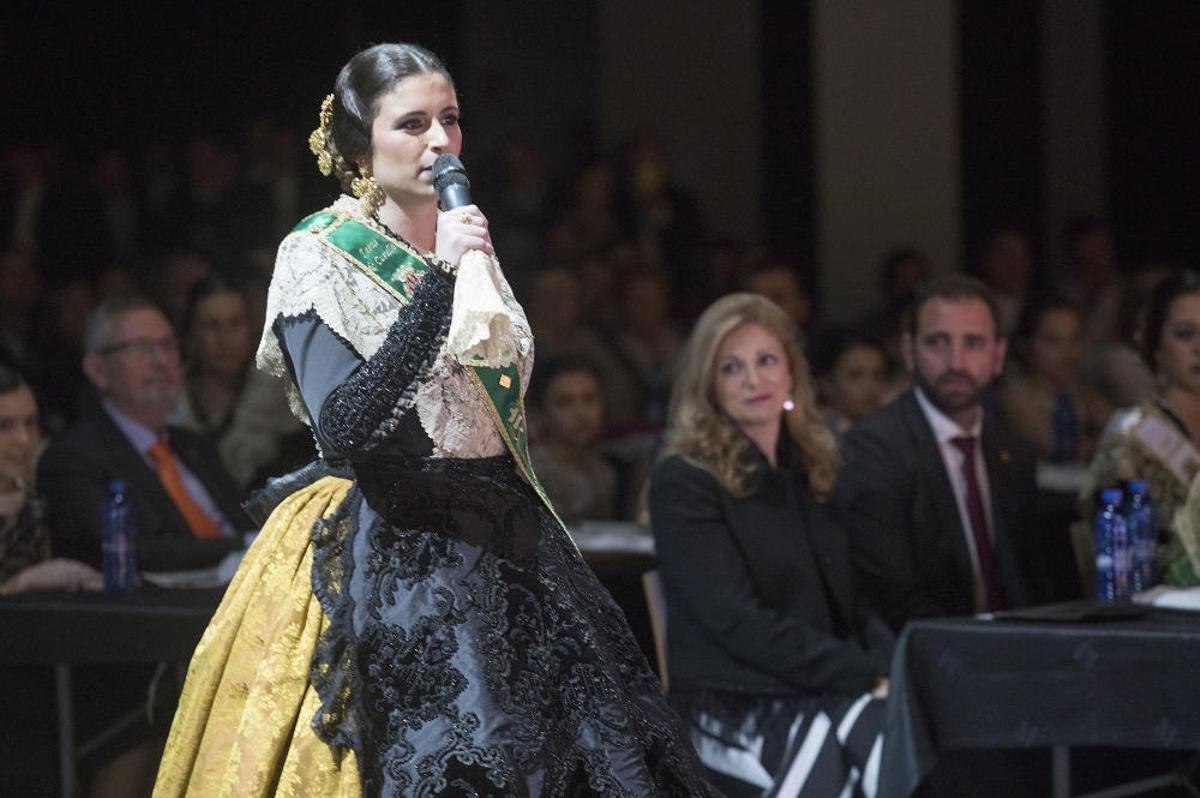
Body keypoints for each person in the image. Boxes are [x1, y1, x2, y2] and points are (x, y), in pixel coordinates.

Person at [153, 43, 714, 797]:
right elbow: (343, 428)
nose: (440, 141)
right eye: (412, 124)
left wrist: (455, 261)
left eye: (449, 119)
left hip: (510, 541)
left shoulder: (466, 234)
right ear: (360, 147)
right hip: (403, 547)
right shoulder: (317, 255)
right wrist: (442, 279)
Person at [649, 293, 892, 797]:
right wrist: (862, 675)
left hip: (815, 685)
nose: (752, 381)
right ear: (709, 386)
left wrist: (889, 665)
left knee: (905, 722)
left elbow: (852, 601)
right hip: (731, 700)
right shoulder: (685, 481)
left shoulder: (812, 467)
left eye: (765, 361)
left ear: (791, 372)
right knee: (868, 736)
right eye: (731, 368)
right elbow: (736, 621)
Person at [837, 275, 1036, 632]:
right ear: (909, 352)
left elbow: (1028, 584)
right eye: (937, 343)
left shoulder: (1011, 450)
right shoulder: (873, 450)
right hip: (928, 651)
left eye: (974, 343)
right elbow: (894, 601)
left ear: (998, 355)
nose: (956, 362)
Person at [38, 296, 249, 573]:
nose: (162, 360)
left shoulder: (195, 446)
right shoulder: (74, 459)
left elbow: (247, 522)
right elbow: (135, 553)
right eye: (141, 348)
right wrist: (246, 545)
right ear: (98, 370)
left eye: (168, 345)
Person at [1082, 269, 1200, 587]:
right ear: (1155, 344)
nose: (1199, 347)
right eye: (1185, 334)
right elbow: (1112, 556)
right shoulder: (1131, 436)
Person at [171, 277, 311, 490]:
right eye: (212, 325)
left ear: (250, 329)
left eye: (235, 324)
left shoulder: (279, 391)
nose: (225, 338)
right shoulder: (170, 392)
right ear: (192, 335)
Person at [998, 295, 1104, 465]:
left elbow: (1124, 429)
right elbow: (1058, 449)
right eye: (1053, 341)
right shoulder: (1015, 395)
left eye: (1074, 339)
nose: (1068, 353)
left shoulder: (1082, 392)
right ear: (1026, 345)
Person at [529, 356, 619, 523]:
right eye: (564, 402)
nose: (581, 413)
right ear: (543, 410)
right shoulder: (531, 473)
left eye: (589, 399)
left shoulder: (604, 472)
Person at [811, 330, 889, 443]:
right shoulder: (815, 437)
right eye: (855, 376)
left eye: (878, 375)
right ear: (827, 384)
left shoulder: (896, 432)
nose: (869, 386)